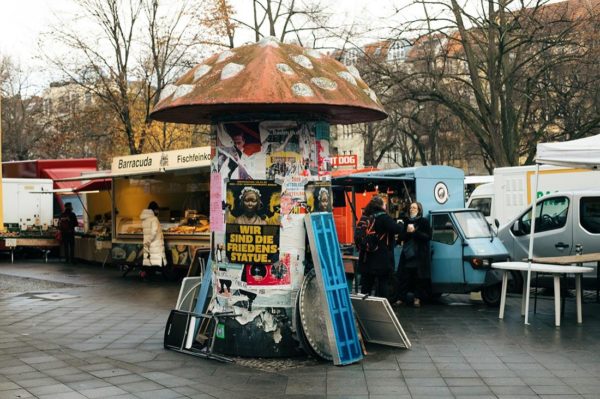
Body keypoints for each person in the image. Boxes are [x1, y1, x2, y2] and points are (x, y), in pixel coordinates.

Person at [358, 196, 404, 298]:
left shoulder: (365, 217)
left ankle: (362, 307)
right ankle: (382, 309)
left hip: (366, 257)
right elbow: (397, 229)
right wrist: (401, 224)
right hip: (381, 257)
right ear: (381, 206)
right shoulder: (384, 217)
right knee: (383, 283)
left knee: (366, 286)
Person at [396, 201, 432, 307]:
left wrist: (415, 232)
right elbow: (401, 237)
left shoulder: (424, 222)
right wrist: (407, 232)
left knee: (418, 277)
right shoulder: (406, 221)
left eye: (414, 208)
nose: (411, 209)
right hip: (407, 254)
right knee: (404, 277)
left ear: (419, 210)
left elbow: (428, 237)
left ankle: (417, 298)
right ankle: (401, 298)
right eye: (411, 208)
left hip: (419, 254)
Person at [140, 202, 167, 268]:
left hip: (148, 245)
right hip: (155, 244)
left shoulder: (145, 219)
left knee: (150, 262)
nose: (158, 212)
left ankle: (146, 274)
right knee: (155, 263)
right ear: (154, 210)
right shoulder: (154, 219)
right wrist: (149, 240)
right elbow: (154, 232)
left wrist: (147, 242)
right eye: (157, 210)